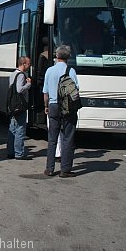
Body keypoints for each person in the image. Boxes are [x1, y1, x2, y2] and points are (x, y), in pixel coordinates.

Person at [42, 45, 79, 177]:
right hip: (68, 107)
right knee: (68, 138)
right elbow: (76, 90)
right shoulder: (71, 71)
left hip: (53, 105)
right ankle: (65, 169)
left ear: (56, 56)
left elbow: (45, 92)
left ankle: (50, 168)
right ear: (68, 57)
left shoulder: (49, 71)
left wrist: (46, 106)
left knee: (52, 138)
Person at [7, 56, 32, 160]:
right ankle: (19, 153)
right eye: (28, 64)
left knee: (12, 128)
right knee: (20, 129)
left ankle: (10, 151)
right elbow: (19, 89)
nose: (30, 66)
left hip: (12, 105)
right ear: (23, 64)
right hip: (20, 106)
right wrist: (28, 84)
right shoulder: (21, 75)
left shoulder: (13, 74)